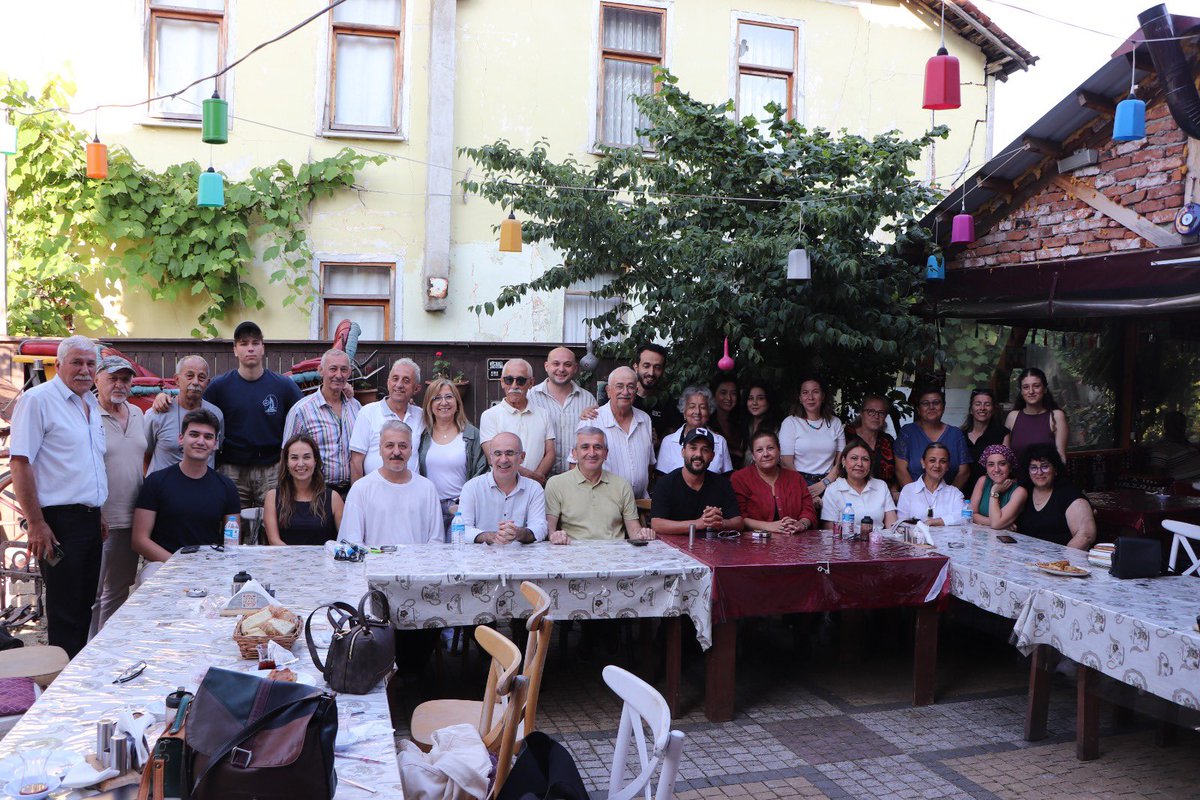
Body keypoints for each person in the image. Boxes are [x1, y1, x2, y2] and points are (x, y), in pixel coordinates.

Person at [10, 336, 107, 657]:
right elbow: (20, 463)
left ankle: (75, 675)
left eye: (90, 364)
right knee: (65, 613)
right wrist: (36, 524)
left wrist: (98, 511)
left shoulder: (90, 403)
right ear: (59, 364)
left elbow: (85, 465)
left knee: (84, 606)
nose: (84, 370)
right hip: (58, 523)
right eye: (77, 362)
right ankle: (61, 690)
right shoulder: (38, 400)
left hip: (89, 521)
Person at [203, 321, 301, 519]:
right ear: (235, 350)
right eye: (243, 343)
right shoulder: (219, 387)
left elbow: (305, 412)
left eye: (255, 343)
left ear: (263, 347)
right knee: (231, 526)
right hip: (232, 469)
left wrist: (344, 393)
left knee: (274, 524)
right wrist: (165, 399)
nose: (250, 348)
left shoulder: (283, 386)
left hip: (273, 468)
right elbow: (193, 407)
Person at [132, 409, 240, 563]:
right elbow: (139, 540)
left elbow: (232, 542)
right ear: (181, 439)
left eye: (208, 437)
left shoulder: (226, 486)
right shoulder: (156, 482)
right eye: (194, 434)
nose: (201, 441)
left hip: (208, 565)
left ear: (215, 444)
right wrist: (177, 564)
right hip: (161, 564)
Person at [91, 356, 147, 635]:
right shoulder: (87, 413)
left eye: (125, 379)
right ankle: (84, 655)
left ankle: (107, 646)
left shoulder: (138, 414)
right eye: (112, 378)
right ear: (97, 379)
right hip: (99, 518)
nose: (119, 384)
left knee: (119, 589)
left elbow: (145, 456)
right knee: (92, 593)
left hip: (132, 518)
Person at [340, 421, 442, 546]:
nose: (396, 452)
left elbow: (436, 541)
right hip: (374, 565)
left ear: (411, 450)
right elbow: (351, 541)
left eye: (403, 446)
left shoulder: (427, 488)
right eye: (389, 446)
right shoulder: (361, 489)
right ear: (380, 449)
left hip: (417, 564)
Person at [546, 428, 654, 543]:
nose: (592, 453)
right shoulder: (556, 484)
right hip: (573, 554)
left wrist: (642, 534)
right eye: (585, 447)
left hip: (616, 554)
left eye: (597, 447)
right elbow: (549, 528)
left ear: (606, 453)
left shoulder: (622, 485)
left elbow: (633, 530)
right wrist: (555, 536)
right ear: (574, 453)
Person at [282, 349, 360, 496]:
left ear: (349, 372)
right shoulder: (302, 410)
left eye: (343, 370)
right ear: (320, 371)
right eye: (333, 369)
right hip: (315, 492)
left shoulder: (356, 407)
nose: (338, 375)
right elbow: (286, 454)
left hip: (351, 492)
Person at [417, 378, 488, 534]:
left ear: (457, 402)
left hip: (461, 510)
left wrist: (464, 503)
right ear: (429, 404)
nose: (444, 402)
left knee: (458, 555)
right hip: (430, 509)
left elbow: (481, 471)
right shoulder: (422, 435)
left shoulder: (472, 434)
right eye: (437, 398)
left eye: (449, 397)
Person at [576, 367, 655, 499]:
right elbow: (575, 465)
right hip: (604, 505)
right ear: (608, 391)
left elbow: (650, 463)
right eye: (619, 386)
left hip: (639, 504)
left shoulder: (645, 419)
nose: (625, 392)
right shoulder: (591, 420)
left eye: (630, 387)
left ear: (636, 391)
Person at [650, 428, 744, 535]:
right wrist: (697, 524)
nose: (698, 454)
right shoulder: (666, 483)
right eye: (693, 448)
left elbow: (738, 522)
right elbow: (656, 524)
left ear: (712, 456)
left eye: (705, 450)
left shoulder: (722, 484)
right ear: (683, 452)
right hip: (673, 547)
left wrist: (719, 522)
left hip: (712, 547)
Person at [459, 433, 547, 544]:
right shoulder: (471, 487)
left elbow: (540, 528)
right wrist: (491, 536)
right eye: (498, 454)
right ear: (490, 457)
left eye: (510, 453)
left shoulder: (534, 489)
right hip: (480, 558)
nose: (503, 460)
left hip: (522, 559)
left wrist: (518, 533)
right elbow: (461, 530)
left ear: (522, 457)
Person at [479, 359, 555, 485]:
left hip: (536, 488)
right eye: (509, 380)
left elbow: (550, 452)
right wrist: (532, 478)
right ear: (502, 382)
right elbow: (492, 457)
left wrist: (536, 481)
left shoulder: (543, 414)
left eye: (520, 380)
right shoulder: (490, 416)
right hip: (502, 487)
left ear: (531, 383)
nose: (514, 385)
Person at [144, 355, 224, 473]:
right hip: (163, 488)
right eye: (189, 376)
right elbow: (143, 455)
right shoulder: (158, 412)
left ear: (207, 382)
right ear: (177, 379)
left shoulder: (216, 414)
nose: (195, 382)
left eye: (201, 378)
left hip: (201, 488)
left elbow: (216, 451)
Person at [350, 357, 424, 481]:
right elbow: (356, 462)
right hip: (375, 493)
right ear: (388, 382)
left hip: (411, 493)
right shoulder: (368, 412)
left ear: (416, 388)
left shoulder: (421, 416)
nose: (399, 385)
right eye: (395, 379)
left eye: (406, 381)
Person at [263, 434, 344, 546]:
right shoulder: (272, 497)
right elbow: (274, 541)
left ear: (315, 460)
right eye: (294, 458)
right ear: (286, 462)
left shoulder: (333, 498)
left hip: (324, 562)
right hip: (285, 561)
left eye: (306, 457)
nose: (300, 464)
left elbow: (345, 539)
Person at [731, 430, 816, 534]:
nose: (766, 454)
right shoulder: (740, 478)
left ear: (779, 450)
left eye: (770, 448)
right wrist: (769, 526)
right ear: (753, 456)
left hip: (793, 541)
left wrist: (801, 524)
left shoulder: (796, 478)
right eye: (759, 450)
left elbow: (808, 510)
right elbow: (738, 517)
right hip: (753, 543)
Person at [778, 377, 845, 505]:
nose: (810, 397)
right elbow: (786, 463)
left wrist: (824, 483)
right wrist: (805, 490)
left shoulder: (835, 423)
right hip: (797, 481)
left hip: (830, 480)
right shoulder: (790, 422)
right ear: (800, 398)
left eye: (815, 392)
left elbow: (841, 461)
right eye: (805, 392)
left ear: (823, 396)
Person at [1016, 443, 1096, 549]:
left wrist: (1061, 561)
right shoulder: (1023, 492)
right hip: (1026, 558)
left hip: (1059, 561)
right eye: (1033, 468)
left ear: (1056, 469)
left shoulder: (1070, 495)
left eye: (1045, 467)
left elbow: (1086, 536)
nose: (1039, 472)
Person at [528, 347, 592, 477]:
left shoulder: (587, 399)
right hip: (539, 477)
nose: (561, 369)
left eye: (567, 365)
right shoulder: (530, 397)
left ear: (575, 368)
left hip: (576, 478)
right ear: (546, 366)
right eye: (556, 364)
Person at [895, 385, 970, 490]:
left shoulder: (956, 434)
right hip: (914, 499)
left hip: (948, 502)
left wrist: (948, 497)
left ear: (943, 407)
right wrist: (915, 496)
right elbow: (900, 470)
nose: (931, 407)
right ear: (918, 409)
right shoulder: (908, 432)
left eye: (936, 402)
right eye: (925, 403)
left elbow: (964, 472)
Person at [821, 439, 898, 529]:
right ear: (843, 461)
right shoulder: (833, 490)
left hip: (878, 541)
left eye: (865, 459)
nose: (860, 464)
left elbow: (892, 529)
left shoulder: (881, 486)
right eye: (854, 458)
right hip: (845, 542)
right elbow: (830, 532)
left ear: (870, 464)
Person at [656, 386, 733, 475]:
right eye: (692, 407)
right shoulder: (668, 442)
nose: (697, 412)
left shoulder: (720, 442)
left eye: (703, 407)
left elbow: (727, 480)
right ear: (684, 411)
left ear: (709, 412)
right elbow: (661, 480)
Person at [1005, 367, 1069, 467]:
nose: (1031, 391)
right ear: (1021, 392)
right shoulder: (1012, 417)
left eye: (1036, 386)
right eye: (1026, 387)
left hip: (1046, 479)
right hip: (1017, 480)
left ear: (1044, 389)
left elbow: (1060, 456)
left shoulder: (1056, 416)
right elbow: (1005, 457)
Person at [896, 443, 966, 526]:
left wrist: (934, 522)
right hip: (916, 538)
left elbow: (964, 517)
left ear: (947, 466)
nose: (937, 465)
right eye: (932, 460)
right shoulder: (908, 490)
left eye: (943, 461)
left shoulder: (954, 493)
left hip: (947, 539)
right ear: (923, 463)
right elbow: (902, 523)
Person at [969, 444, 1027, 531]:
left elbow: (996, 524)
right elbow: (970, 515)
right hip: (979, 537)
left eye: (1002, 464)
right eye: (991, 464)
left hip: (1006, 542)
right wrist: (997, 523)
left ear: (1010, 467)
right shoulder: (982, 481)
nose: (996, 469)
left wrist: (994, 491)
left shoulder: (1020, 492)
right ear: (986, 468)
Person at [844, 395, 896, 488]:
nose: (876, 416)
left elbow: (896, 472)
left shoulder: (888, 441)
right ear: (861, 413)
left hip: (884, 495)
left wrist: (894, 490)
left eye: (881, 413)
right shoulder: (847, 436)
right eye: (871, 411)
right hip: (850, 492)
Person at [962, 388, 1010, 488]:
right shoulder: (960, 434)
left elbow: (1005, 467)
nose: (982, 408)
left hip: (991, 490)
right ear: (971, 409)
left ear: (993, 410)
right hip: (962, 491)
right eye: (978, 404)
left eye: (987, 404)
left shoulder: (1002, 434)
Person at [1149, 411, 1200, 481]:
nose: (1181, 427)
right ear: (1167, 426)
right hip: (1187, 488)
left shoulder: (1187, 443)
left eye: (1182, 423)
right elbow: (1157, 476)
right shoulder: (1162, 447)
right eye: (1176, 423)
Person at [708, 373, 746, 466]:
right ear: (713, 395)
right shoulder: (706, 423)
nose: (729, 398)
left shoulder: (740, 422)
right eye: (723, 393)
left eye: (733, 393)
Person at [742, 380, 781, 465]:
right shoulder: (745, 424)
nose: (754, 403)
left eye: (760, 398)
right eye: (751, 398)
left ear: (768, 401)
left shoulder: (777, 427)